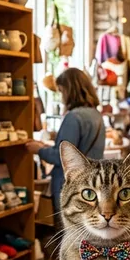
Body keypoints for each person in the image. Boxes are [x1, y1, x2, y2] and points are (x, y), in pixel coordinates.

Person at [25, 68, 105, 216]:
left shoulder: (74, 117)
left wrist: (39, 150)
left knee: (66, 230)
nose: (61, 96)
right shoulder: (96, 115)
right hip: (93, 182)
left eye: (61, 91)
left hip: (70, 184)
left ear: (69, 90)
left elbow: (61, 157)